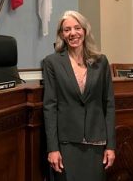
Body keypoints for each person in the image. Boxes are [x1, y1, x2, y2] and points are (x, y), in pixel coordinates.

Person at [42, 10, 116, 181]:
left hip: (96, 144)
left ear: (85, 30)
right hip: (66, 145)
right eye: (67, 30)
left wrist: (111, 146)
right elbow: (50, 107)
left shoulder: (101, 61)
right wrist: (53, 148)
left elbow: (109, 105)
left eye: (77, 28)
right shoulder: (52, 63)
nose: (73, 33)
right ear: (61, 34)